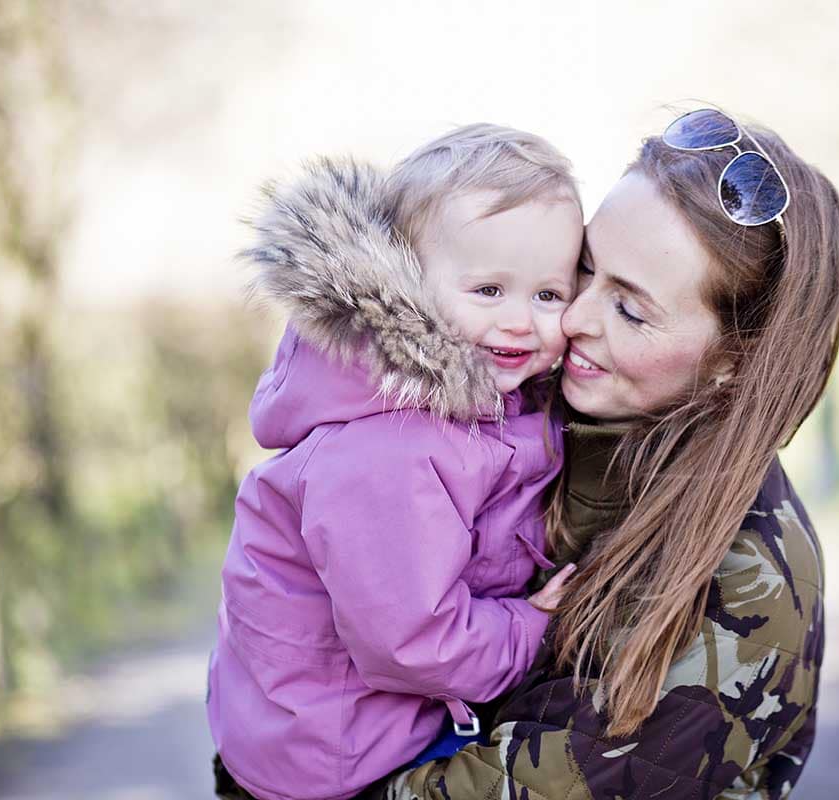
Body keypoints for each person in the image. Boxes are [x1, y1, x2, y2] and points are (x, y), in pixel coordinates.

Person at [370, 108, 839, 799]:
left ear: (732, 363)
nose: (571, 319)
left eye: (629, 309)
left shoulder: (745, 585)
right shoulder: (524, 414)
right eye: (584, 271)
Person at [206, 124, 585, 800]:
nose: (522, 321)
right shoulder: (392, 445)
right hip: (335, 753)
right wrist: (535, 628)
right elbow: (415, 641)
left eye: (548, 295)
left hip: (378, 715)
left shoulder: (485, 401)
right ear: (406, 284)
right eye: (489, 291)